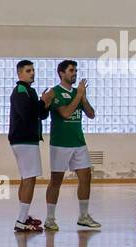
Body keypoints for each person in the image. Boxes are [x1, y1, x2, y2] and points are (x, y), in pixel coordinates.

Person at [43, 60, 101, 230]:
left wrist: (83, 98)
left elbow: (91, 114)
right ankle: (50, 218)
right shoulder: (55, 92)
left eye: (75, 70)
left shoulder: (78, 92)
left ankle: (83, 216)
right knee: (56, 181)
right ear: (61, 73)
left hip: (78, 142)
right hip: (60, 143)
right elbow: (66, 114)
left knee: (86, 177)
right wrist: (78, 95)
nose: (74, 73)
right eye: (71, 70)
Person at [7, 59, 52, 233]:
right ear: (19, 73)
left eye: (33, 70)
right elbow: (26, 114)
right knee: (30, 179)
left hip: (29, 140)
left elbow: (40, 115)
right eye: (28, 70)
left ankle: (24, 216)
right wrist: (42, 102)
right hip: (23, 140)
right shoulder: (20, 90)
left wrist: (45, 103)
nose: (32, 73)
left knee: (26, 177)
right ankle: (21, 220)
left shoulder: (30, 91)